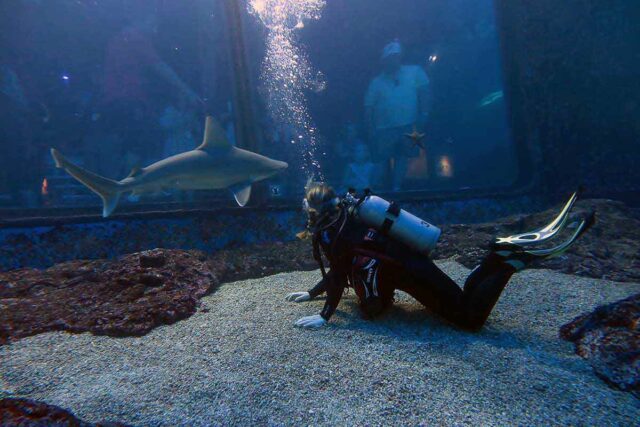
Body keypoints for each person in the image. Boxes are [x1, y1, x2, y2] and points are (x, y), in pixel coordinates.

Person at [286, 183, 594, 329]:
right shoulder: (348, 221)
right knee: (461, 299)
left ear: (312, 211)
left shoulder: (337, 234)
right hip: (411, 262)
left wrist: (325, 315)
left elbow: (339, 273)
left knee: (469, 319)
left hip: (410, 271)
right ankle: (498, 256)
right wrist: (313, 292)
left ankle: (508, 262)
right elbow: (338, 271)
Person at [364, 40, 430, 191]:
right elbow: (368, 107)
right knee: (380, 160)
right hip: (383, 129)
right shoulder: (376, 82)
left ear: (400, 57)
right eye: (390, 57)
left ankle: (396, 189)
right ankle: (375, 190)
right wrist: (371, 129)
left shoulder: (415, 71)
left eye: (396, 56)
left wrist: (424, 114)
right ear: (384, 60)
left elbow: (425, 92)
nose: (393, 60)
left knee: (402, 158)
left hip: (409, 125)